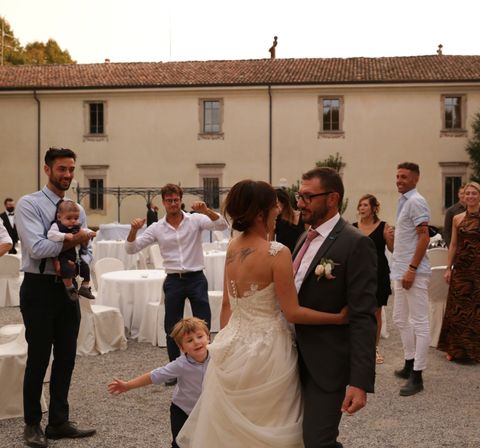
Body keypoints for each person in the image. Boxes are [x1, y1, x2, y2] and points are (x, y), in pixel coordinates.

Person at [177, 179, 351, 447]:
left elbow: (227, 304)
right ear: (260, 213)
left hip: (233, 343)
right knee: (273, 421)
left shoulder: (233, 246)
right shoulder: (276, 252)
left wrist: (224, 344)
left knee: (234, 429)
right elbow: (292, 312)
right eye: (274, 207)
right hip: (269, 350)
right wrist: (337, 318)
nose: (278, 212)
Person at [15, 147, 97, 448]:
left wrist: (84, 250)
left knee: (66, 357)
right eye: (62, 169)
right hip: (39, 288)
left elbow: (87, 249)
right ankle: (32, 424)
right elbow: (37, 248)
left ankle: (59, 422)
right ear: (47, 169)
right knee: (38, 358)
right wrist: (77, 239)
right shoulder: (29, 204)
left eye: (71, 169)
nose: (67, 175)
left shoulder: (76, 206)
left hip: (68, 288)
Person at [293, 167, 377, 445]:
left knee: (317, 440)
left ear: (332, 199)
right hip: (290, 361)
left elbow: (363, 316)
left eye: (307, 196)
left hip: (326, 365)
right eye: (299, 195)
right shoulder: (303, 238)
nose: (300, 203)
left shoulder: (356, 244)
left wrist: (360, 381)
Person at [126, 183, 228, 365]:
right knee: (171, 327)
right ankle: (175, 367)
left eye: (176, 200)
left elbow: (221, 225)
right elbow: (131, 249)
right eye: (169, 200)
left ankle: (206, 365)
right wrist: (133, 230)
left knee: (203, 324)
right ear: (163, 202)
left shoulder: (195, 219)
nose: (173, 203)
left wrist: (206, 210)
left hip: (196, 277)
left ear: (181, 201)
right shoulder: (157, 228)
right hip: (174, 280)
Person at [108, 317, 211, 448]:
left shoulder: (217, 356)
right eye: (189, 340)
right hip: (182, 409)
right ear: (182, 347)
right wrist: (128, 385)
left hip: (207, 408)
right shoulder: (180, 365)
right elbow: (154, 376)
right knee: (179, 442)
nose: (196, 342)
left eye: (200, 336)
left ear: (208, 337)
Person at [437, 181, 480, 363]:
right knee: (457, 308)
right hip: (461, 266)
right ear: (463, 196)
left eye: (474, 193)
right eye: (468, 193)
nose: (470, 196)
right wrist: (449, 267)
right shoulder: (457, 218)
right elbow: (454, 244)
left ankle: (477, 350)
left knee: (478, 308)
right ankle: (453, 348)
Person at [391, 162, 431, 396]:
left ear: (415, 179)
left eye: (404, 176)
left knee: (419, 322)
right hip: (400, 269)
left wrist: (412, 268)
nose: (399, 180)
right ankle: (409, 361)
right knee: (399, 318)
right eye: (397, 176)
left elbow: (424, 238)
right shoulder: (404, 201)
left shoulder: (416, 201)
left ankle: (418, 375)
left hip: (412, 271)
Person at [353, 194, 393, 364]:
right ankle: (356, 347)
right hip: (358, 274)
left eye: (365, 205)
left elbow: (392, 249)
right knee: (356, 311)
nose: (361, 208)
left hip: (379, 273)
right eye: (360, 205)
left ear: (374, 208)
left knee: (376, 312)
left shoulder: (384, 227)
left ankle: (374, 348)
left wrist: (391, 237)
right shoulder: (353, 228)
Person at [46, 200, 96, 300]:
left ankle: (84, 287)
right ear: (59, 217)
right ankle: (70, 288)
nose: (73, 221)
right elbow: (50, 235)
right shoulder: (57, 226)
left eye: (76, 218)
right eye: (69, 218)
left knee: (86, 268)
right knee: (66, 270)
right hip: (65, 255)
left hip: (78, 256)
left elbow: (85, 230)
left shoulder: (77, 226)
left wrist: (90, 233)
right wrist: (64, 236)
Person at [274, 187, 305, 251]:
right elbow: (271, 243)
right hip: (283, 257)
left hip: (298, 256)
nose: (274, 207)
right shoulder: (276, 218)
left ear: (283, 202)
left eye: (276, 203)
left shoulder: (303, 216)